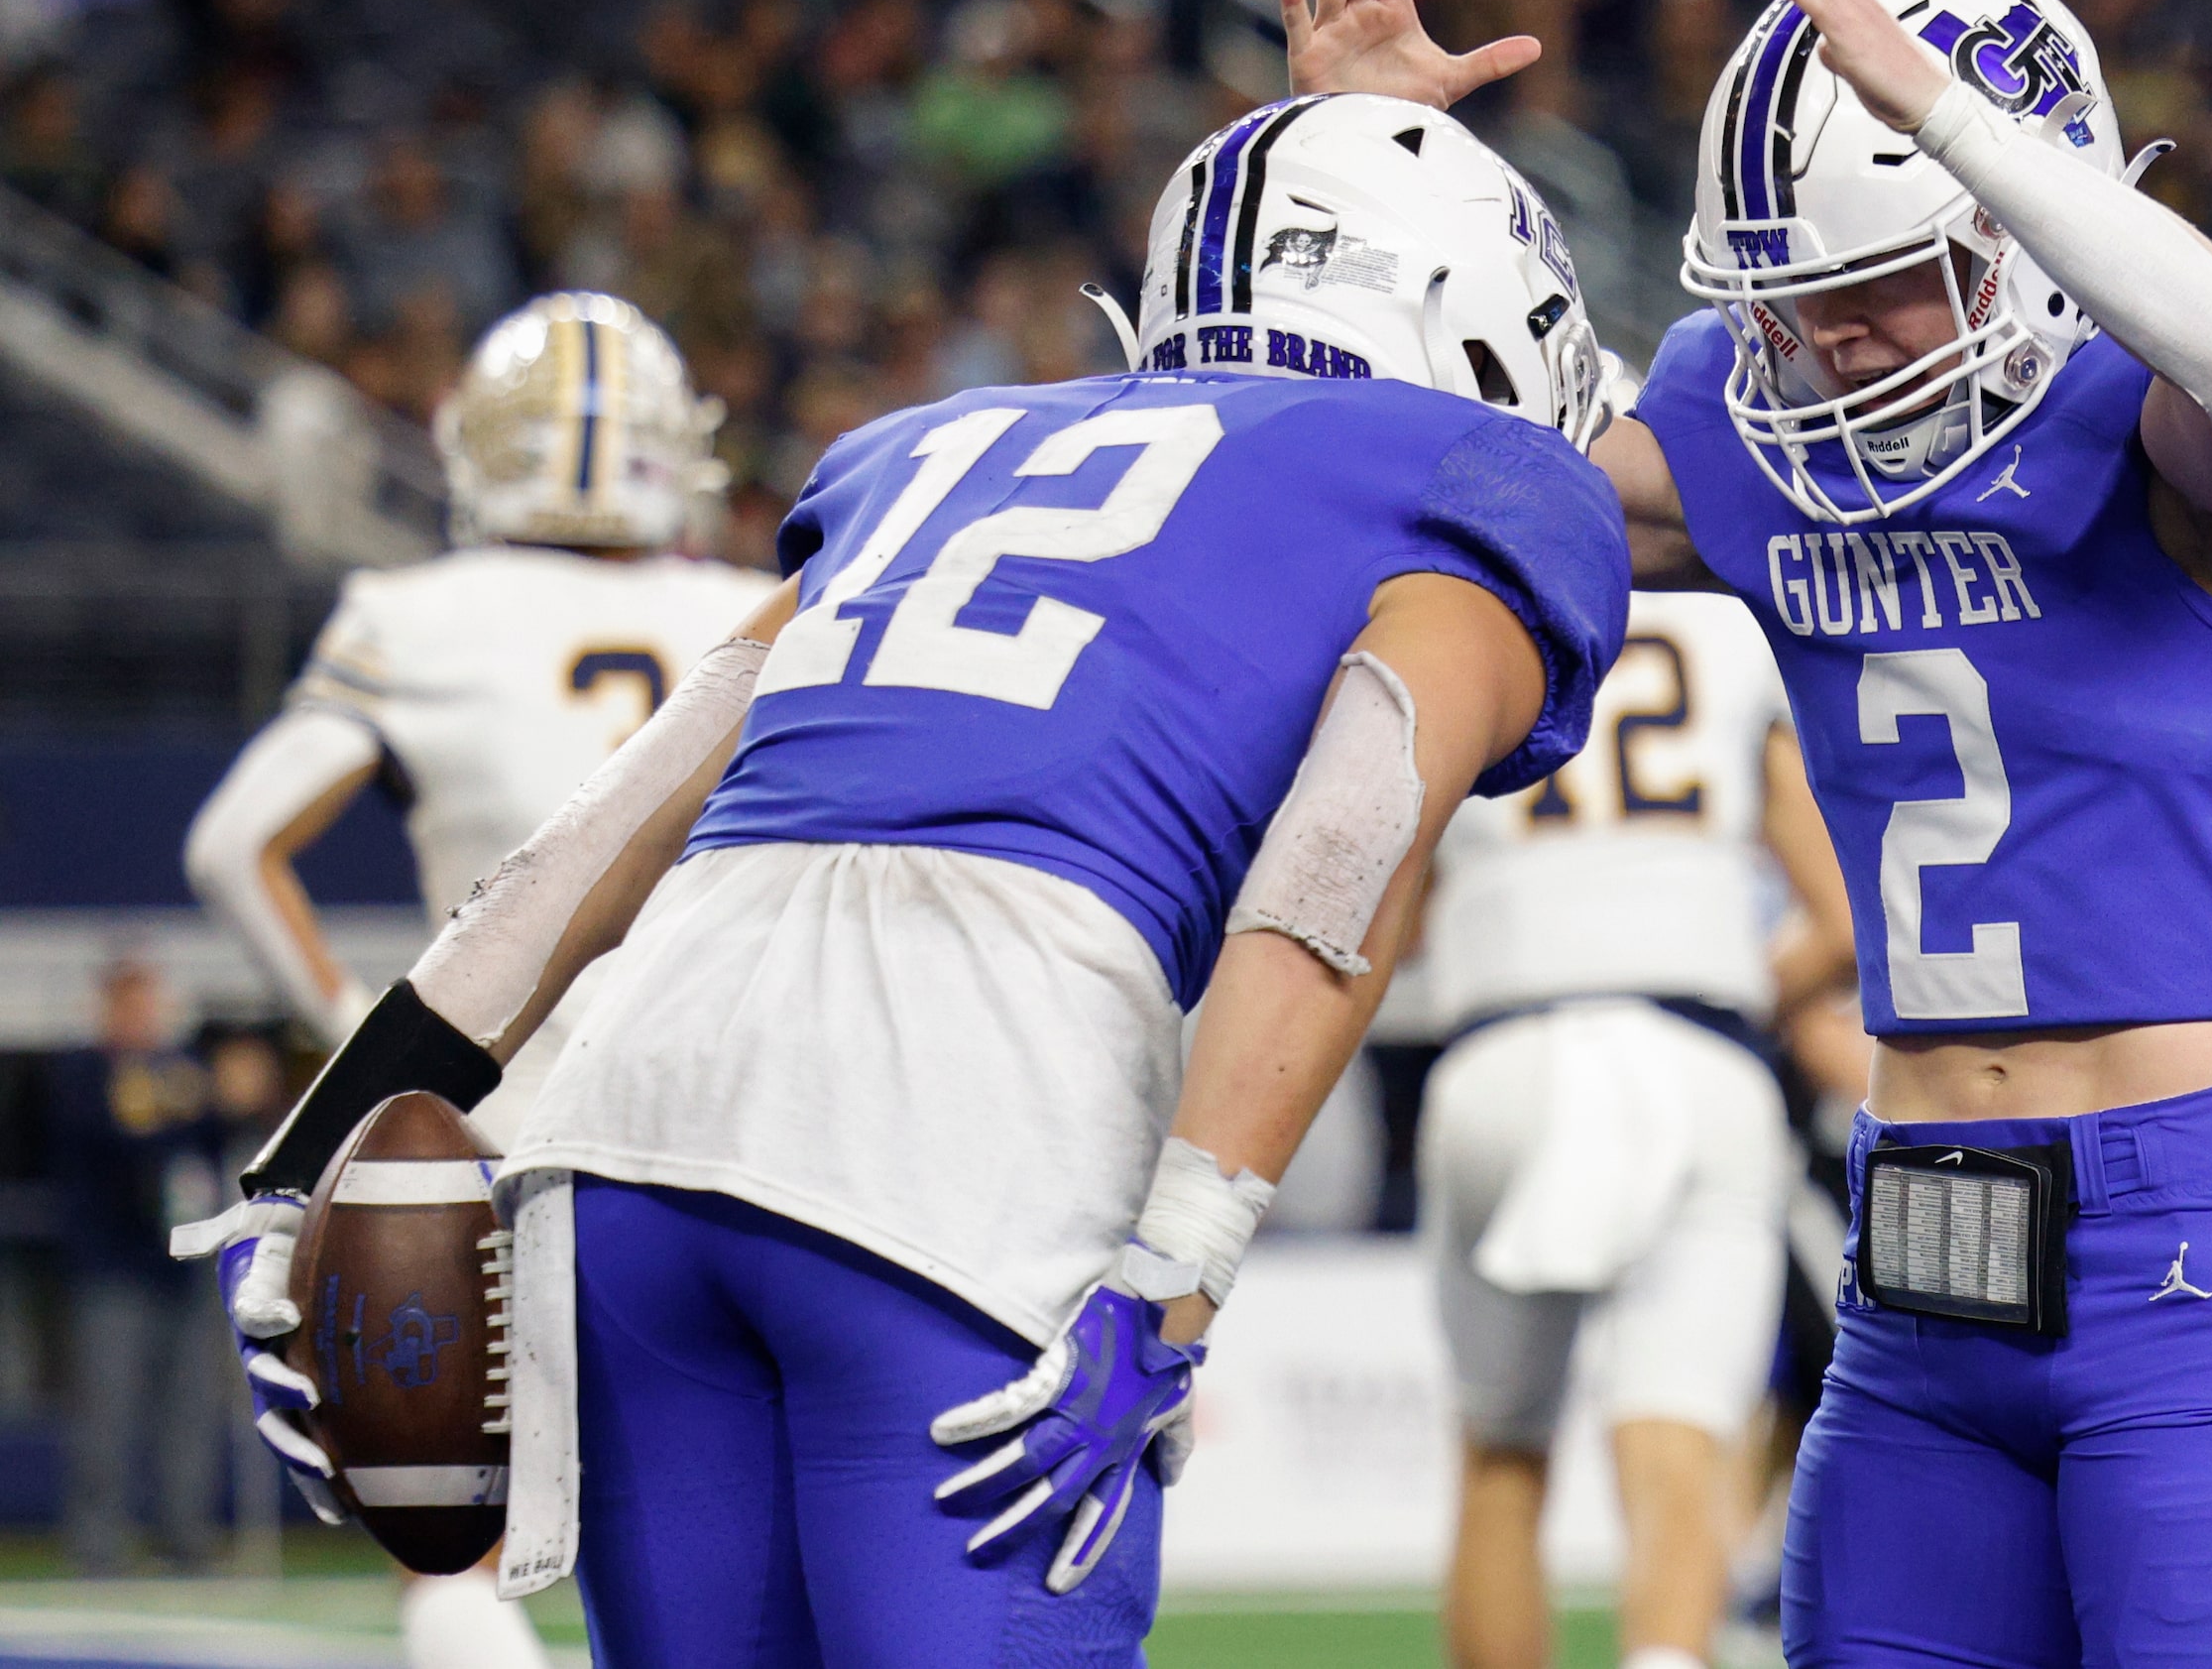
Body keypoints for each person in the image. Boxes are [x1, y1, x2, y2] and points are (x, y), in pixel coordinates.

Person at [181, 92, 1628, 1667]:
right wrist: (1173, 1278)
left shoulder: (935, 445)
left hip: (637, 1115)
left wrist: (308, 1151)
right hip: (960, 1115)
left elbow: (602, 832)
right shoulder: (1471, 480)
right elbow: (1340, 860)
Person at [1286, 0, 2212, 1663]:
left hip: (2187, 1224)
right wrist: (1364, 166)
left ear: (2017, 227)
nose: (1827, 347)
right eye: (1790, 307)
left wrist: (1956, 122)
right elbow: (1460, 485)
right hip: (1916, 1239)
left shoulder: (2199, 384)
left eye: (1870, 287)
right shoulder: (1754, 425)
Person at [180, 290, 762, 1669]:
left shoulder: (416, 615)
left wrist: (358, 1047)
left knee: (453, 1545)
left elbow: (231, 846)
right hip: (734, 1123)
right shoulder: (755, 602)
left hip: (495, 1132)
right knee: (725, 1538)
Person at [1416, 585, 1845, 1669]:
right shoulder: (1721, 621)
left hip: (1500, 1049)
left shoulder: (1444, 594)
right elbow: (1843, 918)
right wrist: (1739, 983)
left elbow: (1382, 895)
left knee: (1500, 1463)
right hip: (1693, 1051)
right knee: (1679, 1449)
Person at [49, 958, 225, 1574]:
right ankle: (98, 1548)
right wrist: (177, 1101)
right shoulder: (82, 1069)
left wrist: (188, 1097)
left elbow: (214, 1118)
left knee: (189, 1413)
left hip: (179, 1264)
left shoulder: (179, 1066)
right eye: (133, 1003)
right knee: (108, 1415)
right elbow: (121, 1132)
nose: (145, 1016)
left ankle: (187, 1540)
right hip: (112, 1269)